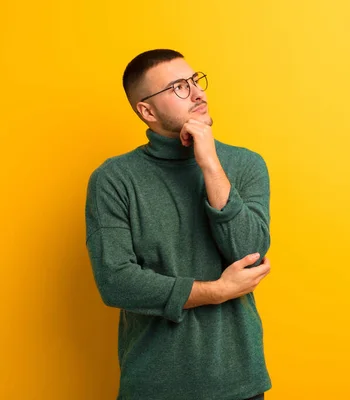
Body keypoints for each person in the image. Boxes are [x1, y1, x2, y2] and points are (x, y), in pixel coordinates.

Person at [85, 49, 272, 400]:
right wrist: (216, 290)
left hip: (240, 384)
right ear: (147, 110)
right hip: (155, 386)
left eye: (195, 81)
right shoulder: (113, 179)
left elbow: (250, 253)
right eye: (178, 87)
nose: (198, 93)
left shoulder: (245, 164)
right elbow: (116, 281)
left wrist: (210, 165)